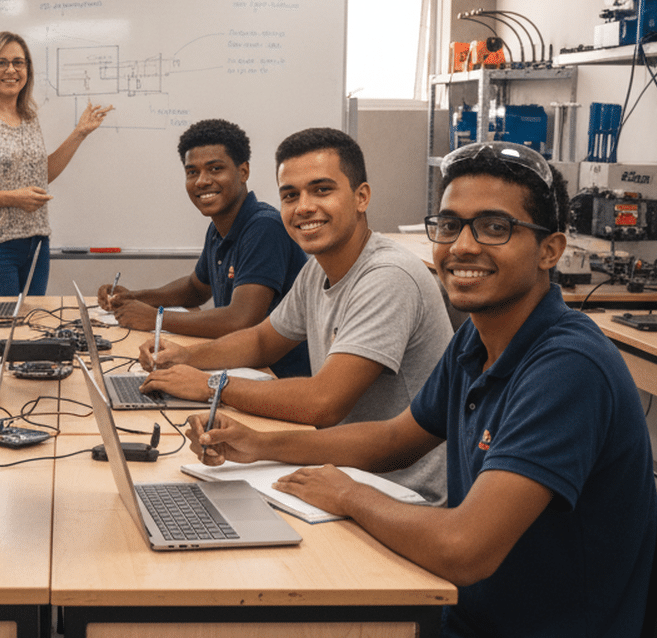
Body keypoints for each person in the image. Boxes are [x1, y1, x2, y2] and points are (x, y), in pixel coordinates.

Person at [186, 141, 655, 637]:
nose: (463, 246)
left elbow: (465, 549)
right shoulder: (478, 337)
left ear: (549, 250)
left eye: (495, 227)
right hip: (460, 608)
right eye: (450, 225)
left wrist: (350, 495)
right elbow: (392, 440)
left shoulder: (567, 368)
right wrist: (258, 444)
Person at [142, 127, 450, 502]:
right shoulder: (319, 268)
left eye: (322, 190)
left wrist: (212, 386)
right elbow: (261, 341)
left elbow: (324, 401)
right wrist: (186, 357)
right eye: (291, 195)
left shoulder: (388, 276)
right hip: (341, 470)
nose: (303, 206)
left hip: (398, 491)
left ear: (361, 197)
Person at [96, 118, 311, 377]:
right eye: (192, 172)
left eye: (215, 169)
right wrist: (134, 298)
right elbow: (195, 289)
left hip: (276, 376)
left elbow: (241, 319)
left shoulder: (264, 227)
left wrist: (156, 319)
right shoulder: (219, 227)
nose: (201, 181)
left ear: (243, 172)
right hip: (241, 366)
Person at [0, 30, 113, 296]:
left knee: (30, 332)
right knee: (1, 333)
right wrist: (12, 198)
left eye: (18, 62)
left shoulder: (28, 119)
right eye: (1, 62)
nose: (11, 70)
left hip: (36, 246)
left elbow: (40, 176)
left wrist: (80, 132)